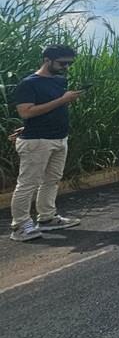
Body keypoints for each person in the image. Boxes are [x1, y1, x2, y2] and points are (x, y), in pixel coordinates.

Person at [8, 44, 85, 242]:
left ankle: (47, 218)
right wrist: (63, 100)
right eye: (62, 63)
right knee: (28, 184)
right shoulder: (29, 83)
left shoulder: (59, 81)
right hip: (37, 141)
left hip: (59, 138)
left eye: (69, 63)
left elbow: (42, 111)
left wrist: (27, 126)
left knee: (52, 180)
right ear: (47, 60)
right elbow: (25, 111)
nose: (66, 67)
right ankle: (20, 225)